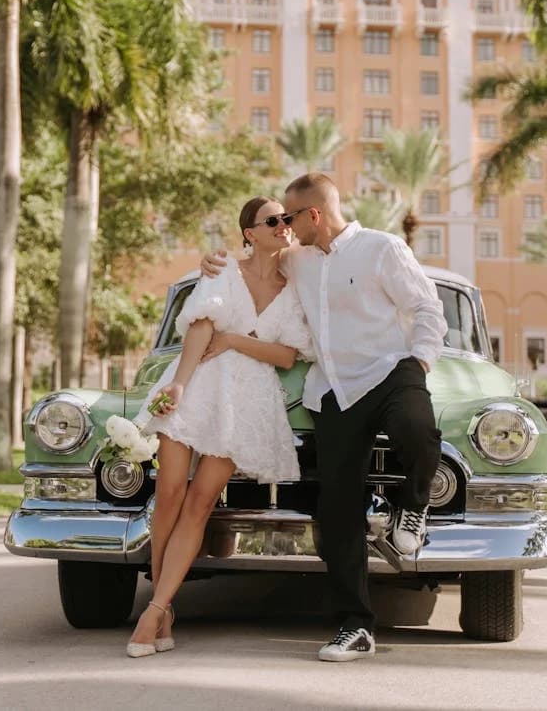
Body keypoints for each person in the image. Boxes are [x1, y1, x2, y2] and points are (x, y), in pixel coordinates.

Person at [200, 172, 447, 663]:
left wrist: (418, 361)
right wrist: (211, 261)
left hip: (391, 370)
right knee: (336, 510)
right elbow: (252, 264)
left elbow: (425, 307)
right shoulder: (297, 259)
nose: (284, 226)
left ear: (313, 214)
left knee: (417, 430)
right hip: (333, 389)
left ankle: (412, 506)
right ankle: (355, 625)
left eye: (289, 217)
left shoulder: (383, 248)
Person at [125, 196, 315, 658]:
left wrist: (233, 340)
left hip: (246, 399)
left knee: (200, 502)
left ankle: (158, 608)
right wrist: (181, 385)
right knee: (168, 492)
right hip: (200, 383)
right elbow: (199, 326)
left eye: (286, 218)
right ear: (249, 231)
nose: (283, 225)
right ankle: (161, 604)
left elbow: (289, 354)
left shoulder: (296, 285)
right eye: (273, 220)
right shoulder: (224, 268)